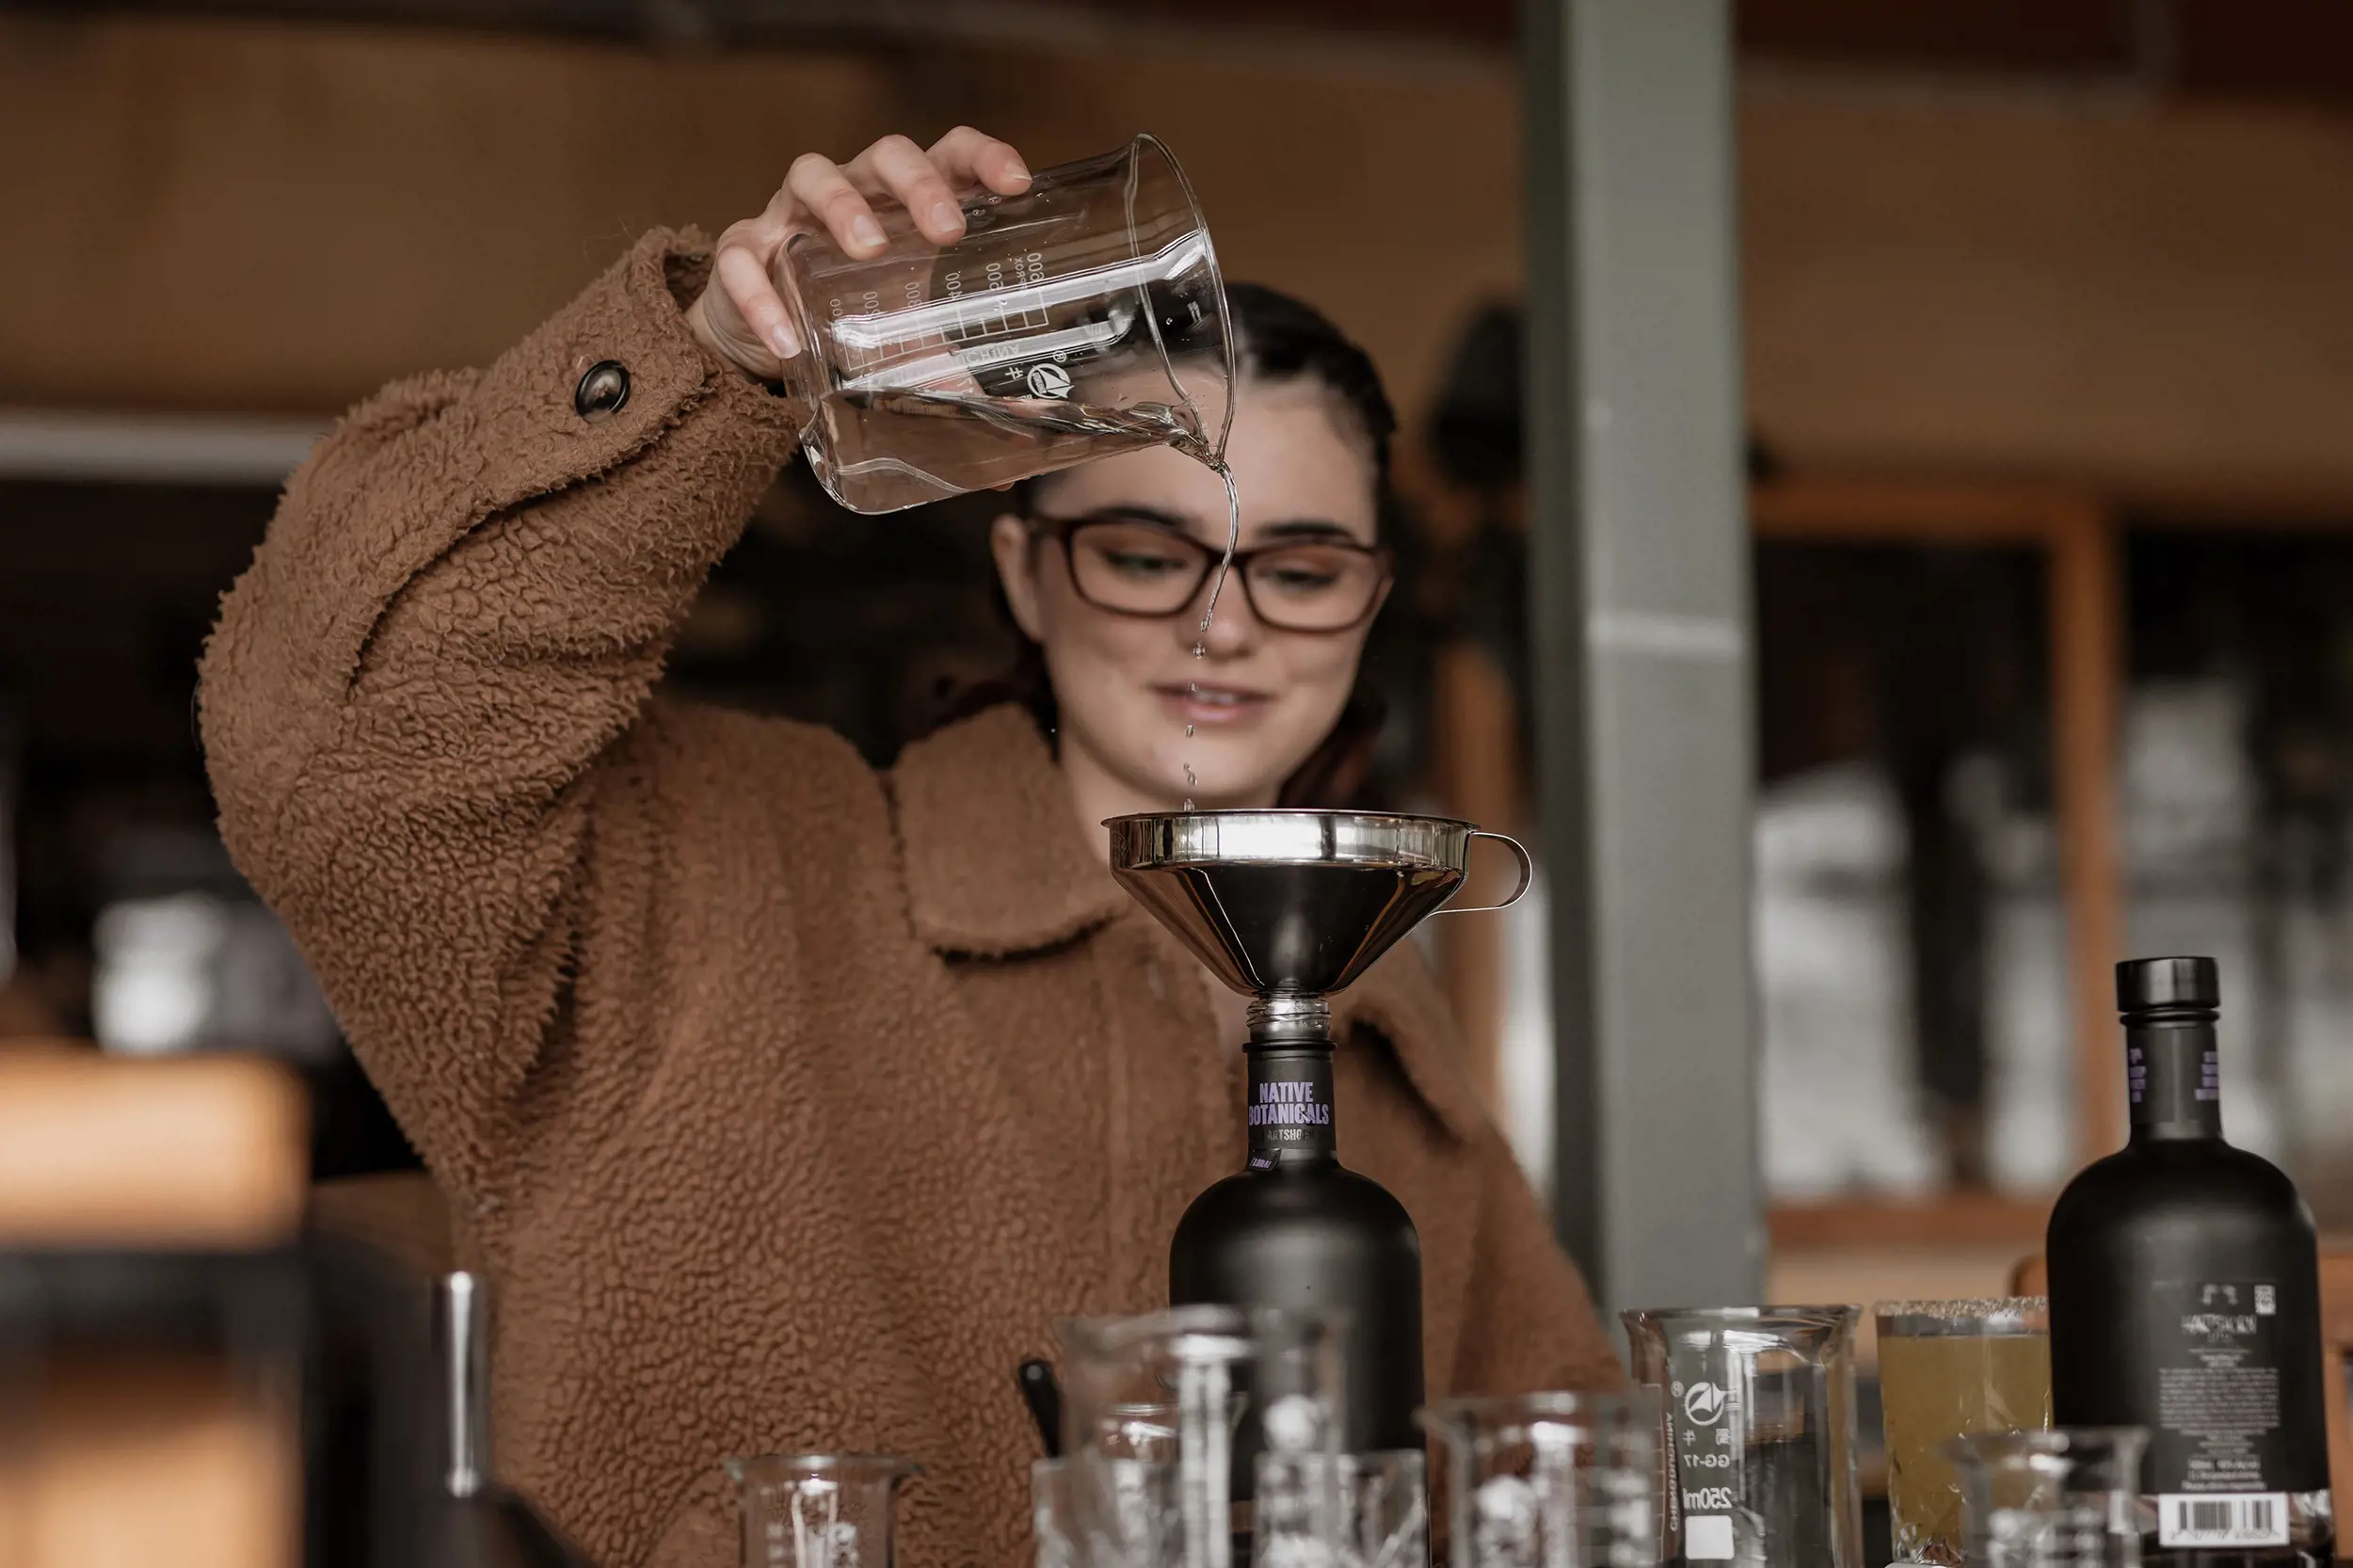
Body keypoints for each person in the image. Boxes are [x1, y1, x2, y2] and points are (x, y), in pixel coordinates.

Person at [199, 127, 1621, 1568]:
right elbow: (334, 756)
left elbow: (1571, 1478)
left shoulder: (1388, 1039)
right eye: (1143, 551)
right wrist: (720, 357)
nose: (1226, 620)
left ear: (1374, 598)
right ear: (1024, 569)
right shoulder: (728, 864)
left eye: (1303, 568)